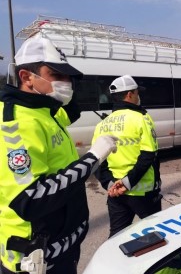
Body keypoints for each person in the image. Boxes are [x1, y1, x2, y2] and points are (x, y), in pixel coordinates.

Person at [0, 37, 118, 274]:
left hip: (61, 248)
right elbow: (30, 199)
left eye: (68, 77)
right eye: (56, 75)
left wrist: (71, 85)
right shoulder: (15, 123)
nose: (66, 83)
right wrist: (93, 158)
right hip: (34, 261)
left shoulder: (45, 111)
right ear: (26, 77)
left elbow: (70, 112)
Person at [92, 75, 162, 238]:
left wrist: (110, 184)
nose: (139, 96)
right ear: (130, 94)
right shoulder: (142, 118)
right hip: (143, 193)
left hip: (115, 194)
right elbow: (149, 155)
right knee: (155, 235)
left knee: (116, 236)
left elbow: (97, 160)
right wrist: (127, 183)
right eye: (137, 92)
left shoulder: (102, 124)